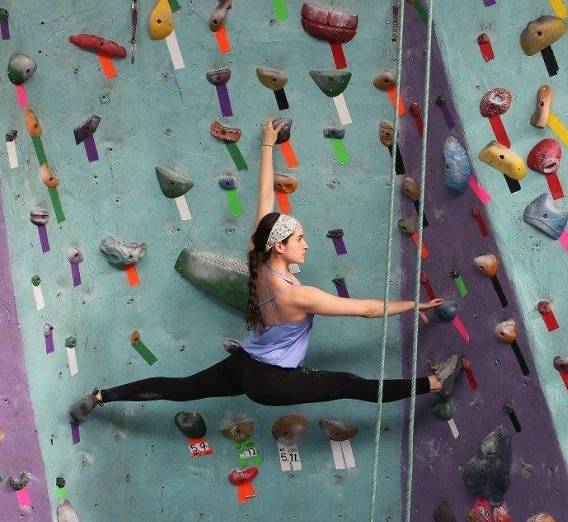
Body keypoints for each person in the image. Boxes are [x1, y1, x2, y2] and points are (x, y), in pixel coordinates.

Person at [69, 119, 460, 423]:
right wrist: (415, 303)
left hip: (245, 366)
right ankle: (436, 382)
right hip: (269, 382)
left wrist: (268, 144)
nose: (306, 244)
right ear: (281, 245)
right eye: (300, 239)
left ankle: (100, 396)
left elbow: (264, 199)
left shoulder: (258, 256)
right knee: (350, 384)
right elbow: (368, 310)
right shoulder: (298, 295)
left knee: (182, 387)